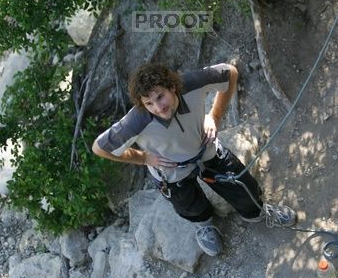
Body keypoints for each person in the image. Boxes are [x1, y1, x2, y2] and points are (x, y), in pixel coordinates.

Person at [92, 63, 297, 256]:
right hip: (171, 169)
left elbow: (230, 72)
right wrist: (144, 158)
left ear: (172, 87)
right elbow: (99, 148)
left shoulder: (191, 84)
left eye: (160, 96)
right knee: (188, 204)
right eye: (149, 103)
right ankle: (204, 224)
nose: (157, 107)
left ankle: (257, 212)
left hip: (205, 149)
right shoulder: (136, 120)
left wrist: (214, 116)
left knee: (242, 184)